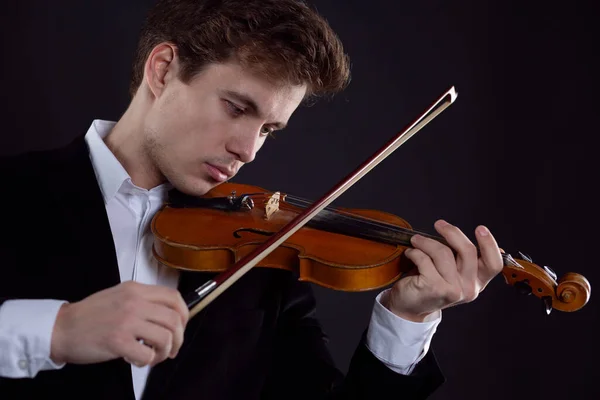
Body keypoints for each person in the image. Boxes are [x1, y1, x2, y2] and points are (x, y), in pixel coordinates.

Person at [0, 0, 504, 399]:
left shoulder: (262, 256)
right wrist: (56, 332)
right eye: (236, 108)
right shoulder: (14, 192)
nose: (247, 150)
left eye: (269, 129)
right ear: (163, 70)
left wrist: (406, 318)